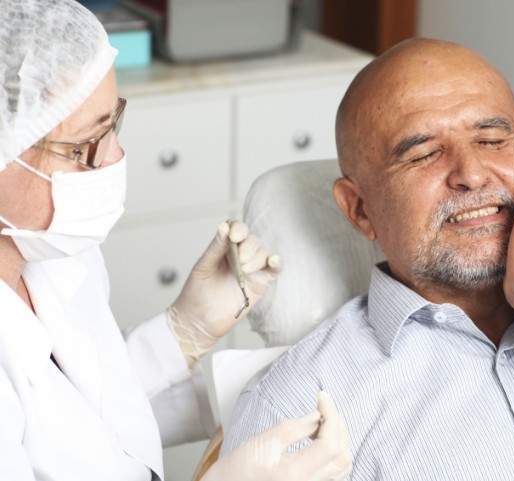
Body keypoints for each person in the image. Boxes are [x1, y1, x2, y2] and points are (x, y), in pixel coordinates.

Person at [221, 37, 514, 479]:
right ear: (360, 209)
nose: (473, 173)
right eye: (423, 153)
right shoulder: (297, 402)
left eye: (493, 139)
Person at [0, 1, 352, 480]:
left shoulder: (53, 254)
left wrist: (185, 331)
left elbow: (91, 416)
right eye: (85, 146)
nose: (116, 157)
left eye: (113, 124)